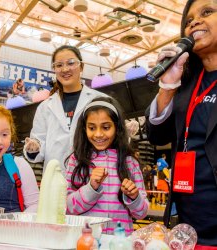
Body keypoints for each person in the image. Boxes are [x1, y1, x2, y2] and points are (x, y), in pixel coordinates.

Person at [146, 0, 217, 245]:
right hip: (186, 231)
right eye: (188, 21)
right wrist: (167, 86)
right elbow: (156, 136)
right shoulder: (185, 84)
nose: (194, 22)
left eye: (207, 12)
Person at [66, 96, 149, 235]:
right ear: (84, 128)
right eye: (92, 128)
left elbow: (142, 213)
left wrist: (134, 197)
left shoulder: (129, 162)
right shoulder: (77, 160)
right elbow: (67, 208)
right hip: (86, 242)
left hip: (120, 244)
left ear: (117, 128)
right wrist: (91, 188)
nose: (98, 134)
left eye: (106, 127)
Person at [23, 45, 107, 174]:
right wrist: (33, 148)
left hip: (93, 176)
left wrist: (125, 133)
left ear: (81, 66)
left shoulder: (100, 100)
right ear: (54, 70)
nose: (65, 69)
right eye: (59, 65)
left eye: (71, 63)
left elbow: (111, 137)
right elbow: (38, 143)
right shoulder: (45, 107)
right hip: (56, 178)